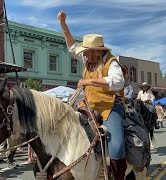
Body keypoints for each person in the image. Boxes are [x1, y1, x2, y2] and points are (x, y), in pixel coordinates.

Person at [58, 11, 127, 179]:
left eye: (86, 51)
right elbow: (71, 46)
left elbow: (118, 82)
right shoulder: (88, 59)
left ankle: (118, 176)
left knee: (117, 147)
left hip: (109, 107)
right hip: (87, 106)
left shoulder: (112, 63)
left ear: (96, 51)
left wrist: (88, 82)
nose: (83, 53)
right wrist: (63, 24)